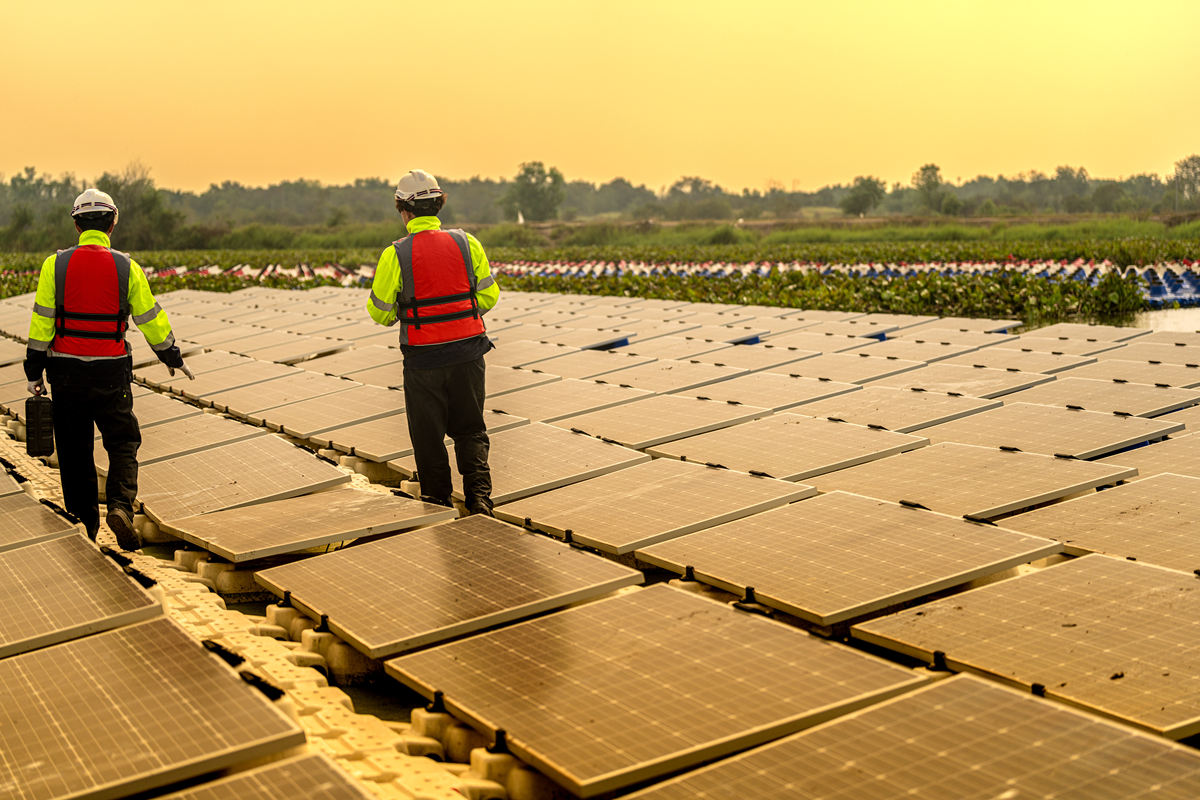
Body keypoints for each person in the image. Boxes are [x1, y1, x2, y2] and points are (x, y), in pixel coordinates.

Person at [24, 188, 193, 550]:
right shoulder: (126, 267)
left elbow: (41, 323)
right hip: (111, 373)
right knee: (123, 442)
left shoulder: (55, 265)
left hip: (65, 373)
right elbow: (150, 318)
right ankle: (119, 506)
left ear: (76, 225)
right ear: (112, 223)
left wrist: (33, 372)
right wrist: (171, 355)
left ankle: (84, 528)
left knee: (74, 451)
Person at [367, 170, 500, 515]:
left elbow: (380, 312)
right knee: (471, 429)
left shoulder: (395, 254)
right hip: (469, 353)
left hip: (423, 360)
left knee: (428, 436)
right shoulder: (467, 243)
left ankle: (438, 500)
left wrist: (408, 313)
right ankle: (479, 498)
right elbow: (488, 296)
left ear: (403, 210)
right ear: (439, 205)